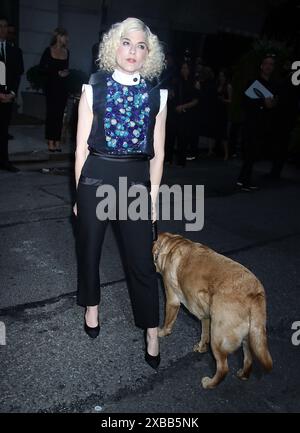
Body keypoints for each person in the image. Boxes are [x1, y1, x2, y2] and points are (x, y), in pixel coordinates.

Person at [74, 18, 167, 369]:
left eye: (141, 45)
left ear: (149, 54)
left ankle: (151, 330)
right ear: (115, 47)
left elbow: (158, 153)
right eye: (127, 43)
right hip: (95, 177)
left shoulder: (157, 94)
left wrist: (154, 198)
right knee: (89, 250)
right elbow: (81, 150)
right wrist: (78, 194)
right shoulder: (92, 88)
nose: (133, 50)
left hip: (135, 180)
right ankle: (92, 306)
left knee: (142, 262)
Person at [237, 55, 278, 191]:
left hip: (262, 124)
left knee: (253, 153)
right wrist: (262, 103)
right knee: (250, 153)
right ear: (261, 66)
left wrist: (271, 104)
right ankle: (245, 182)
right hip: (251, 123)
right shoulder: (253, 82)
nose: (268, 66)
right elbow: (246, 102)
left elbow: (273, 103)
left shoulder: (272, 84)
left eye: (271, 64)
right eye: (266, 63)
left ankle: (243, 180)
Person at [39, 28, 70, 152]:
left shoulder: (67, 52)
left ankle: (57, 141)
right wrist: (55, 73)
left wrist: (66, 72)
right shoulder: (48, 50)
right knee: (51, 114)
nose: (66, 39)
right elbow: (41, 68)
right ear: (58, 37)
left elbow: (66, 68)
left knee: (59, 115)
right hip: (51, 86)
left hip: (62, 87)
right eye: (64, 36)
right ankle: (50, 141)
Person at [0, 16, 24, 172]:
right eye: (0, 26)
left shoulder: (15, 50)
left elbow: (17, 74)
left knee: (3, 130)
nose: (3, 29)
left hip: (7, 97)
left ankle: (4, 161)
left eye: (5, 26)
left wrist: (12, 93)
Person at [173, 62, 198, 166]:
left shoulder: (193, 83)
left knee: (186, 135)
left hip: (189, 112)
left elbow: (196, 100)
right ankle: (179, 159)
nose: (184, 70)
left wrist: (183, 106)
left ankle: (184, 158)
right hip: (178, 112)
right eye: (182, 68)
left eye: (186, 68)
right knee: (179, 135)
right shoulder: (178, 82)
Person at [216, 68, 232, 160]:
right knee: (218, 131)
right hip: (217, 110)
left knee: (224, 133)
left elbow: (230, 100)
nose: (221, 77)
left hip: (224, 111)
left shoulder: (228, 86)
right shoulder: (218, 86)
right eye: (220, 76)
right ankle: (217, 150)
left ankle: (226, 153)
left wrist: (223, 100)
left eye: (223, 76)